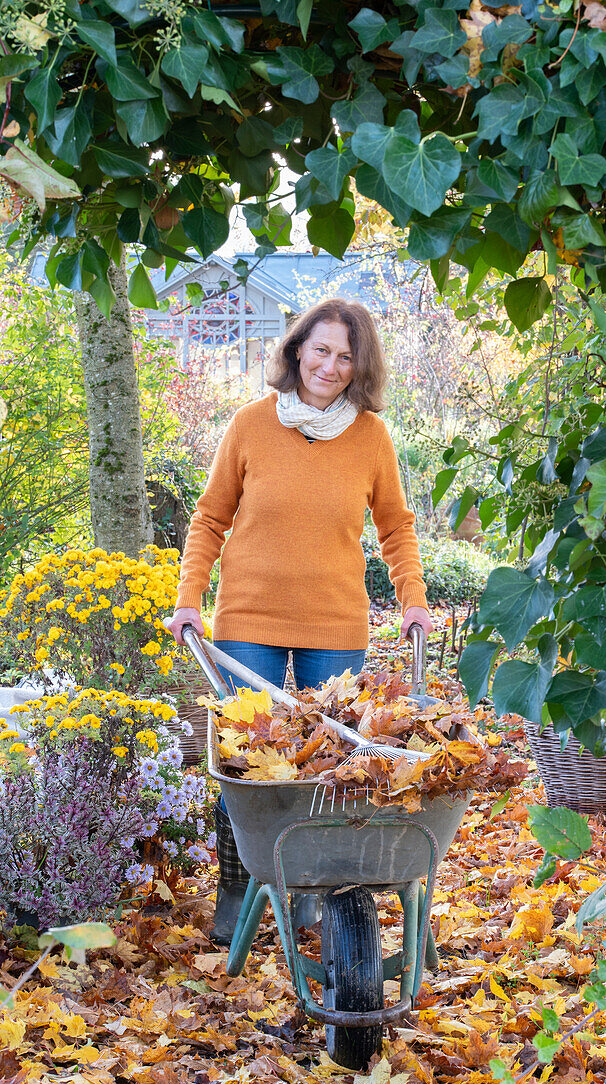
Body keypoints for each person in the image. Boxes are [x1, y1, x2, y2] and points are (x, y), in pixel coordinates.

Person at [167, 298, 434, 942]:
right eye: (321, 350)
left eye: (346, 356)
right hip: (247, 621)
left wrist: (414, 598)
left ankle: (319, 885)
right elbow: (209, 519)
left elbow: (395, 525)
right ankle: (244, 880)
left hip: (335, 624)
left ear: (359, 366)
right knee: (249, 760)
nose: (331, 365)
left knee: (332, 762)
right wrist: (188, 597)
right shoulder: (251, 425)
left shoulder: (371, 438)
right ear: (296, 350)